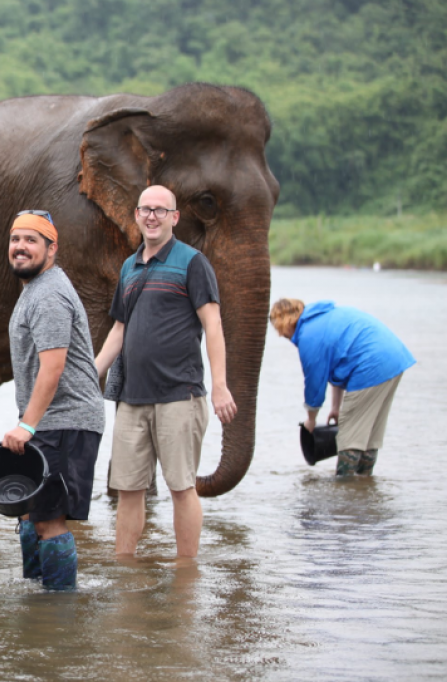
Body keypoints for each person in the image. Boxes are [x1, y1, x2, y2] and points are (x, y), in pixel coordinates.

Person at [94, 185, 237, 559]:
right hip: (131, 399)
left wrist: (219, 386)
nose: (152, 216)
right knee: (127, 489)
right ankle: (124, 567)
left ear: (175, 218)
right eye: (146, 210)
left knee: (180, 487)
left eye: (161, 210)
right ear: (137, 216)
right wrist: (91, 372)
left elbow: (213, 325)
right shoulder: (129, 266)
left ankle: (185, 573)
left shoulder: (192, 263)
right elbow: (119, 331)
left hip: (180, 395)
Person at [1, 210, 105, 591]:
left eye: (31, 240)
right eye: (16, 240)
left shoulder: (48, 295)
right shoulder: (35, 290)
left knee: (48, 519)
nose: (21, 247)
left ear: (52, 248)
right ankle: (37, 602)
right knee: (31, 515)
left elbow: (53, 367)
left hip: (67, 421)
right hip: (50, 421)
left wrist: (27, 425)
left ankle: (60, 610)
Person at [269, 298, 414, 477]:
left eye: (281, 331)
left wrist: (311, 419)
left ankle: (345, 490)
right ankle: (363, 487)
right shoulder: (322, 319)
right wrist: (335, 408)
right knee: (369, 436)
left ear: (285, 322)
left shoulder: (309, 335)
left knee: (349, 436)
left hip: (371, 365)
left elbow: (314, 384)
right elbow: (337, 368)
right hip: (394, 360)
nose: (283, 336)